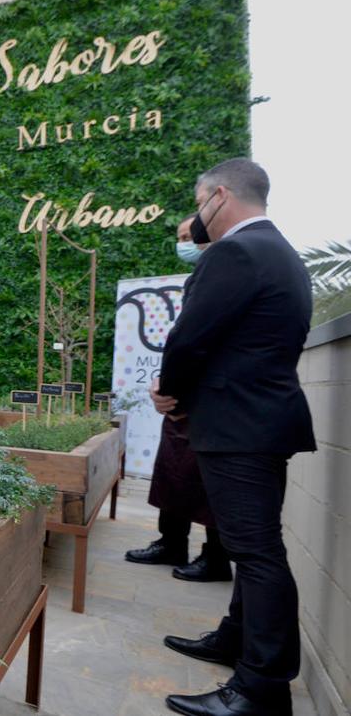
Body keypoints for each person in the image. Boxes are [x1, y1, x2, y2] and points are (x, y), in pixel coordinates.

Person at [152, 159, 315, 716]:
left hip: (240, 425)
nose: (197, 217)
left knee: (258, 551)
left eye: (199, 203)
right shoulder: (279, 251)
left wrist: (168, 391)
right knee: (255, 547)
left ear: (219, 196)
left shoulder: (235, 251)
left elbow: (191, 336)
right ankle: (236, 640)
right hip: (262, 421)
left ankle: (260, 688)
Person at [125, 214, 232, 583]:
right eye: (180, 236)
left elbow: (197, 340)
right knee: (173, 475)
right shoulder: (199, 278)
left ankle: (215, 556)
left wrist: (169, 386)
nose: (185, 242)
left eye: (190, 235)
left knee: (209, 484)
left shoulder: (226, 271)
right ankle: (171, 542)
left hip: (210, 400)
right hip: (182, 400)